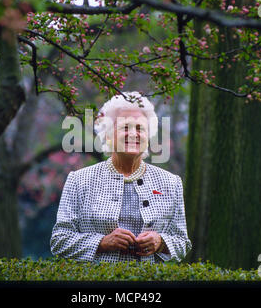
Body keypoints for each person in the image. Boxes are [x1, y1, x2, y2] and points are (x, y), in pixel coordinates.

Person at [50, 91, 192, 263]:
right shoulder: (79, 181)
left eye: (140, 128)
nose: (133, 134)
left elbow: (182, 242)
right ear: (108, 135)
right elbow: (59, 241)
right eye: (125, 127)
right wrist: (102, 243)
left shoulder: (171, 182)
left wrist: (161, 242)